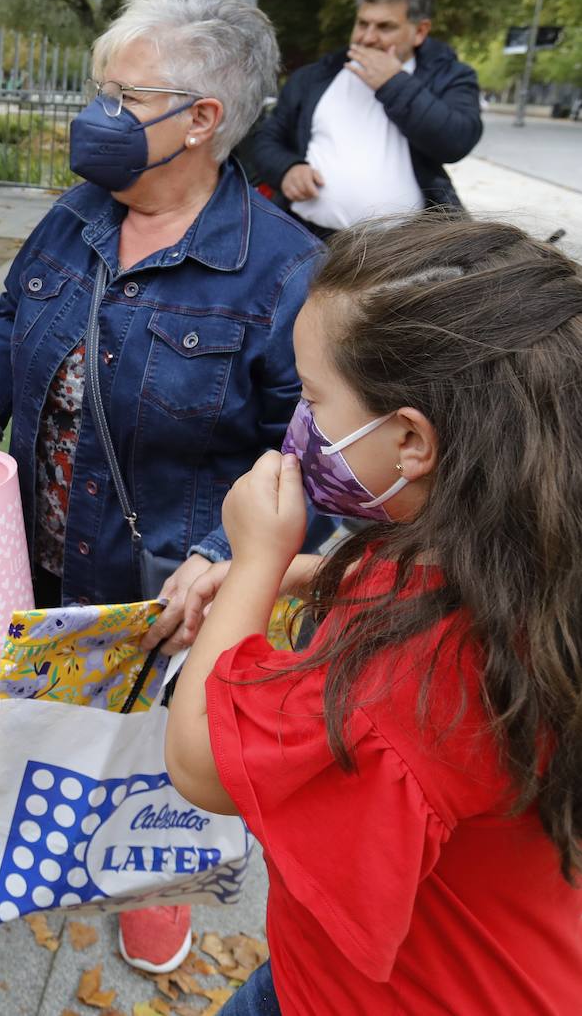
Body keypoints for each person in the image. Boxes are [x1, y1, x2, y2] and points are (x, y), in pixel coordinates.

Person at [0, 0, 323, 974]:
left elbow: (307, 457)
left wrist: (227, 557)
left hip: (163, 574)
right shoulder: (75, 214)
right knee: (18, 705)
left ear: (203, 120)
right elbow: (13, 318)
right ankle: (4, 826)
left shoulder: (282, 273)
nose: (96, 114)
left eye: (125, 95)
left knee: (151, 739)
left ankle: (146, 877)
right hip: (39, 542)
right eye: (100, 90)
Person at [163, 214, 582, 1015]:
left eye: (314, 398)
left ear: (411, 440)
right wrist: (299, 576)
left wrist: (255, 558)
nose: (302, 426)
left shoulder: (418, 681)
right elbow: (409, 584)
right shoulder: (518, 547)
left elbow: (201, 766)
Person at [251, 0, 481, 236]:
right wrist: (287, 169)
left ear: (420, 31)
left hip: (400, 250)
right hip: (308, 238)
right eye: (362, 24)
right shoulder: (316, 77)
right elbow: (266, 139)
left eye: (385, 27)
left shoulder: (449, 76)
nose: (368, 37)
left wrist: (393, 83)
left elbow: (456, 141)